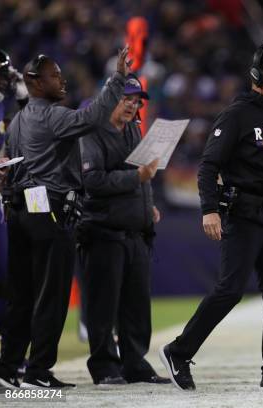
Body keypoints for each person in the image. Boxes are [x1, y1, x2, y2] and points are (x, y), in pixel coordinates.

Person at [159, 43, 263, 392]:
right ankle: (178, 351)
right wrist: (210, 210)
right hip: (243, 214)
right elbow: (208, 165)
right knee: (230, 289)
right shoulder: (237, 114)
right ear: (262, 74)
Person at [0, 47, 131, 389]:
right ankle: (39, 371)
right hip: (49, 213)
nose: (62, 80)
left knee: (21, 295)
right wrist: (117, 80)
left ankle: (8, 366)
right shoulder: (50, 116)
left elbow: (6, 163)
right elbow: (92, 117)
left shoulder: (17, 122)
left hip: (19, 212)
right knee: (51, 295)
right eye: (54, 75)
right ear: (35, 83)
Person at [77, 74, 170, 386]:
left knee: (136, 305)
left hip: (136, 231)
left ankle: (135, 363)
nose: (133, 104)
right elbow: (92, 181)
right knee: (103, 305)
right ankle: (104, 366)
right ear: (109, 97)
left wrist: (148, 206)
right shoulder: (90, 131)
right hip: (103, 231)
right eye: (127, 97)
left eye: (136, 99)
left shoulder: (133, 128)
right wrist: (137, 180)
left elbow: (144, 174)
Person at [0, 49, 28, 336]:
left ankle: (9, 356)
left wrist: (22, 95)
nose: (3, 81)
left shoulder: (1, 109)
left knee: (5, 277)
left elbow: (32, 116)